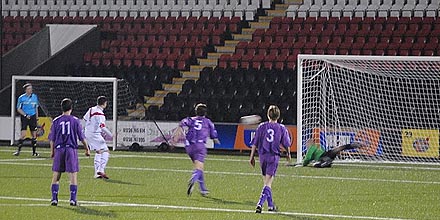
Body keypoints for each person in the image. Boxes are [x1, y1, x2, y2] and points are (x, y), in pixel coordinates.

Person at [249, 105, 291, 213]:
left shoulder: (262, 126)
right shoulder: (281, 128)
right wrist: (288, 154)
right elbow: (286, 143)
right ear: (278, 116)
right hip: (273, 156)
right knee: (268, 183)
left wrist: (251, 157)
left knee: (266, 182)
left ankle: (271, 206)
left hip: (262, 156)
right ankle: (260, 204)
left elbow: (255, 143)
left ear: (268, 115)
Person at [49, 98, 90, 206]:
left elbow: (52, 139)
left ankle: (54, 199)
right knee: (72, 175)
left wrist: (52, 151)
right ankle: (72, 199)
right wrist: (87, 149)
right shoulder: (75, 121)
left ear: (61, 108)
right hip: (70, 150)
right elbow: (81, 137)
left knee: (56, 175)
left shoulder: (56, 121)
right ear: (71, 108)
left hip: (59, 149)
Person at [179, 103, 220, 196]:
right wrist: (216, 139)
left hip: (189, 147)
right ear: (205, 112)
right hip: (200, 146)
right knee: (199, 168)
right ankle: (193, 179)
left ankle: (203, 189)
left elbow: (182, 123)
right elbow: (213, 135)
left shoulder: (191, 120)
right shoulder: (207, 122)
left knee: (199, 167)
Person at [83, 96, 113, 179]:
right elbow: (102, 126)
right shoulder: (100, 113)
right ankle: (101, 170)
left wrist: (86, 128)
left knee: (99, 151)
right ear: (104, 104)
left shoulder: (91, 109)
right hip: (95, 134)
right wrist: (111, 135)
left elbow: (85, 119)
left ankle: (97, 173)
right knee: (106, 151)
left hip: (88, 133)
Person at [14, 83, 40, 156]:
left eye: (31, 88)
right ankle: (18, 151)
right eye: (29, 89)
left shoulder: (35, 97)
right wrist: (25, 115)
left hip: (33, 117)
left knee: (34, 135)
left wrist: (36, 118)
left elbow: (36, 108)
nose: (30, 90)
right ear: (25, 90)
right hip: (25, 117)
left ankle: (34, 152)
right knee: (23, 134)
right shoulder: (21, 98)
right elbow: (18, 108)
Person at [298, 139, 363, 168]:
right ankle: (352, 145)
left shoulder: (312, 147)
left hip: (323, 157)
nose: (306, 145)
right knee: (340, 148)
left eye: (307, 143)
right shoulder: (319, 146)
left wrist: (304, 164)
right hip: (328, 154)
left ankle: (323, 164)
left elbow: (308, 158)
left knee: (315, 165)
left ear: (310, 143)